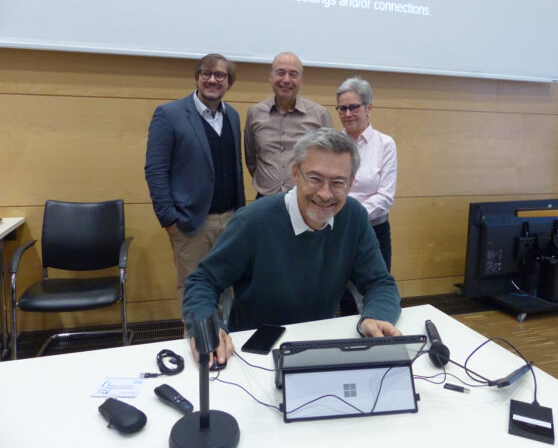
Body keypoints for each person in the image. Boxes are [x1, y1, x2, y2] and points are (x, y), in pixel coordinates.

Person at [183, 128, 402, 364]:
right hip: (254, 351)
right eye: (315, 178)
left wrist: (375, 316)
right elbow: (203, 281)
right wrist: (207, 327)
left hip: (319, 344)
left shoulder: (354, 217)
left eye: (338, 182)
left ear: (351, 184)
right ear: (295, 173)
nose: (325, 194)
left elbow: (380, 283)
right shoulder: (253, 220)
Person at [145, 53, 245, 294]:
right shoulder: (169, 114)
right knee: (196, 292)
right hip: (192, 224)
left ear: (229, 82)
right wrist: (169, 220)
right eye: (206, 74)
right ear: (197, 78)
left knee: (230, 291)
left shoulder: (232, 115)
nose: (212, 80)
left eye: (219, 75)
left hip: (231, 221)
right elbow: (155, 170)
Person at [336, 77, 397, 315]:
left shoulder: (385, 144)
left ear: (369, 107)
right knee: (342, 298)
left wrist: (352, 215)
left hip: (373, 230)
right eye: (342, 108)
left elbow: (386, 197)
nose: (348, 114)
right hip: (336, 230)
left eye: (354, 107)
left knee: (374, 293)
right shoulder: (332, 144)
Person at [244, 52, 333, 198]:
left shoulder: (319, 115)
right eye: (280, 73)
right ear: (271, 77)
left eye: (293, 74)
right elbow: (251, 160)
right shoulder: (255, 113)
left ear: (301, 81)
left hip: (304, 199)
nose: (286, 80)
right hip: (264, 198)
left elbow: (328, 160)